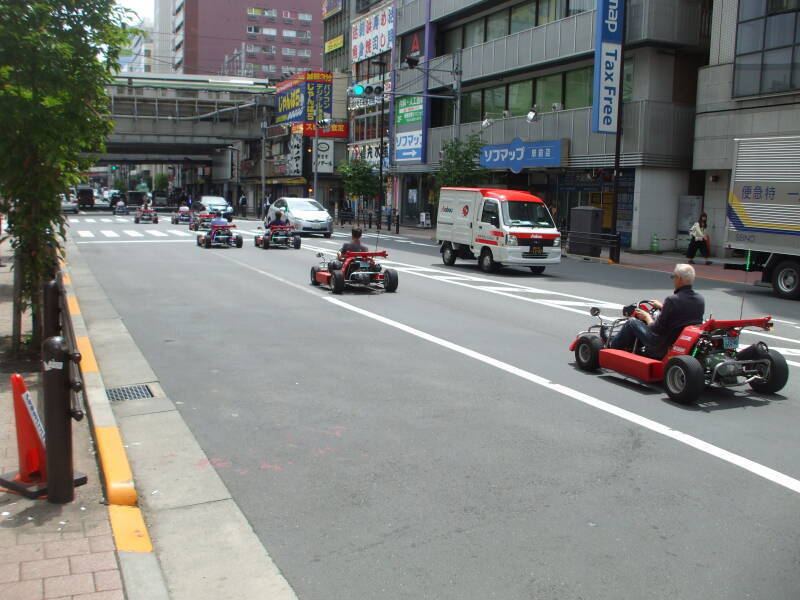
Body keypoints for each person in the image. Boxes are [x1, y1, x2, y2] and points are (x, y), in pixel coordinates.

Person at [610, 263, 705, 354]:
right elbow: (683, 314)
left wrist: (647, 317)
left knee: (632, 322)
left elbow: (656, 329)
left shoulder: (672, 300)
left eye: (673, 277)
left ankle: (611, 347)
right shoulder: (700, 299)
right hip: (681, 341)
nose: (673, 280)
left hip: (661, 344)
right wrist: (662, 307)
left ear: (679, 279)